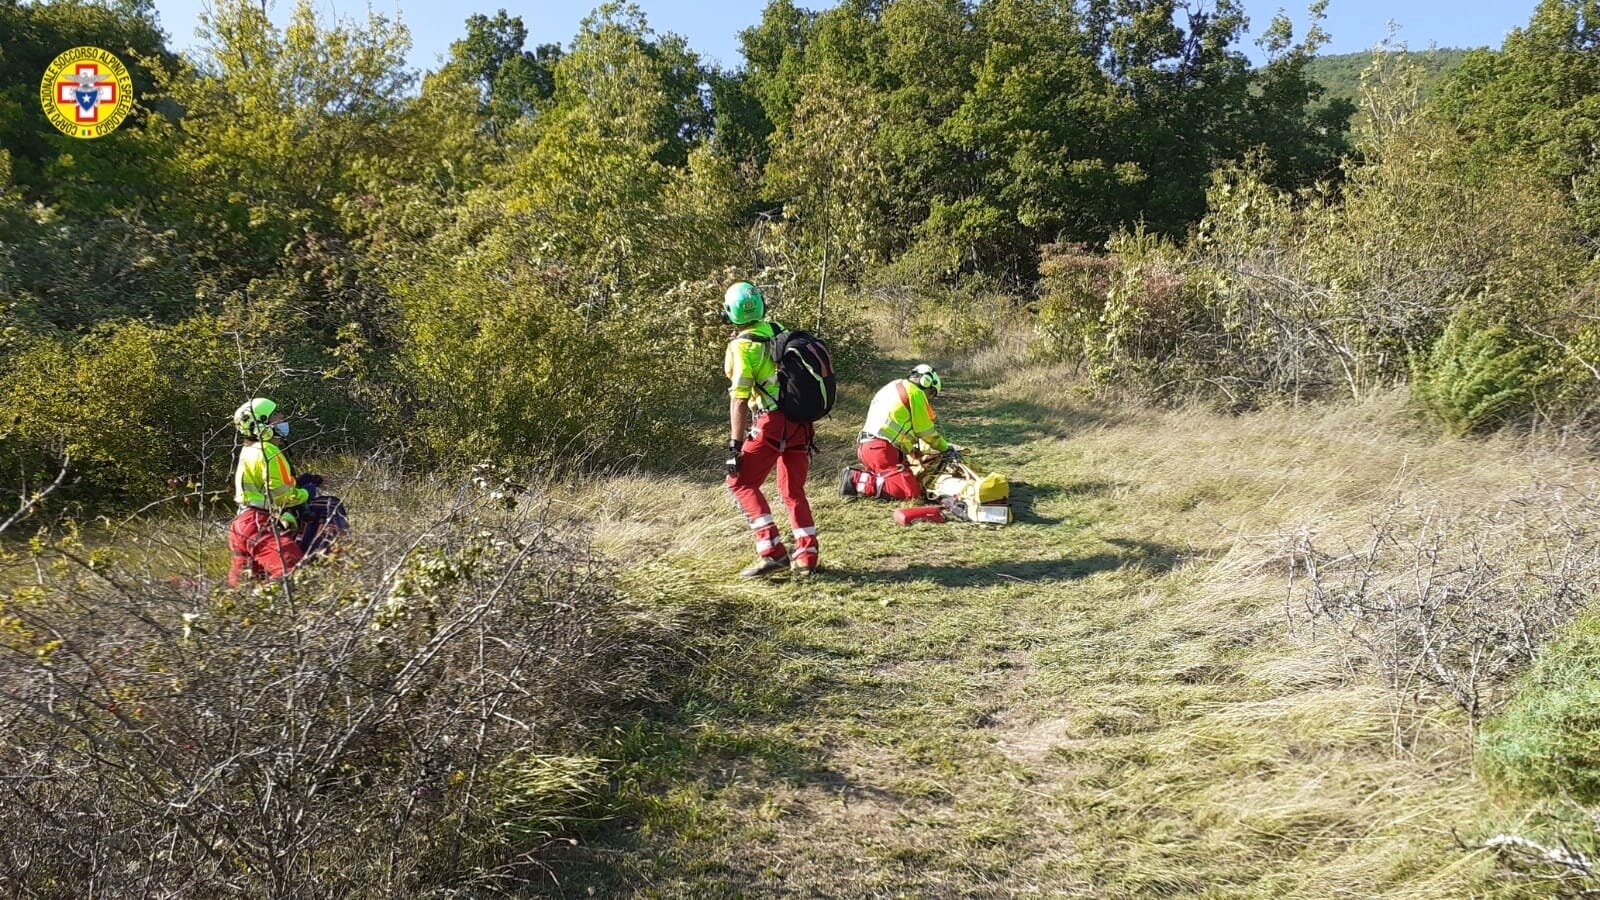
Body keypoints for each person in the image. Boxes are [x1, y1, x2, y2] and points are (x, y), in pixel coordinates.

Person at [722, 281, 819, 578]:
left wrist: (734, 447)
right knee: (792, 490)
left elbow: (740, 400)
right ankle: (807, 555)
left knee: (739, 482)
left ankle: (772, 551)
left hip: (771, 423)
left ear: (729, 313)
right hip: (801, 422)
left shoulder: (742, 347)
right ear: (762, 304)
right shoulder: (779, 329)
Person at [841, 364, 958, 500]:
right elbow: (925, 432)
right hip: (882, 450)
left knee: (908, 476)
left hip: (868, 448)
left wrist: (912, 451)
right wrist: (945, 448)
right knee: (910, 492)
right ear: (926, 381)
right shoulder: (915, 392)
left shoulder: (893, 386)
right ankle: (856, 480)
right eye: (931, 393)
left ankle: (873, 479)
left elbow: (895, 425)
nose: (929, 398)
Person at [227, 397, 311, 586]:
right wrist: (308, 493)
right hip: (257, 523)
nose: (282, 419)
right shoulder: (268, 451)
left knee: (243, 590)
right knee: (294, 570)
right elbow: (282, 496)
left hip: (242, 525)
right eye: (276, 417)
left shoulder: (250, 449)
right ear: (262, 424)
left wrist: (299, 483)